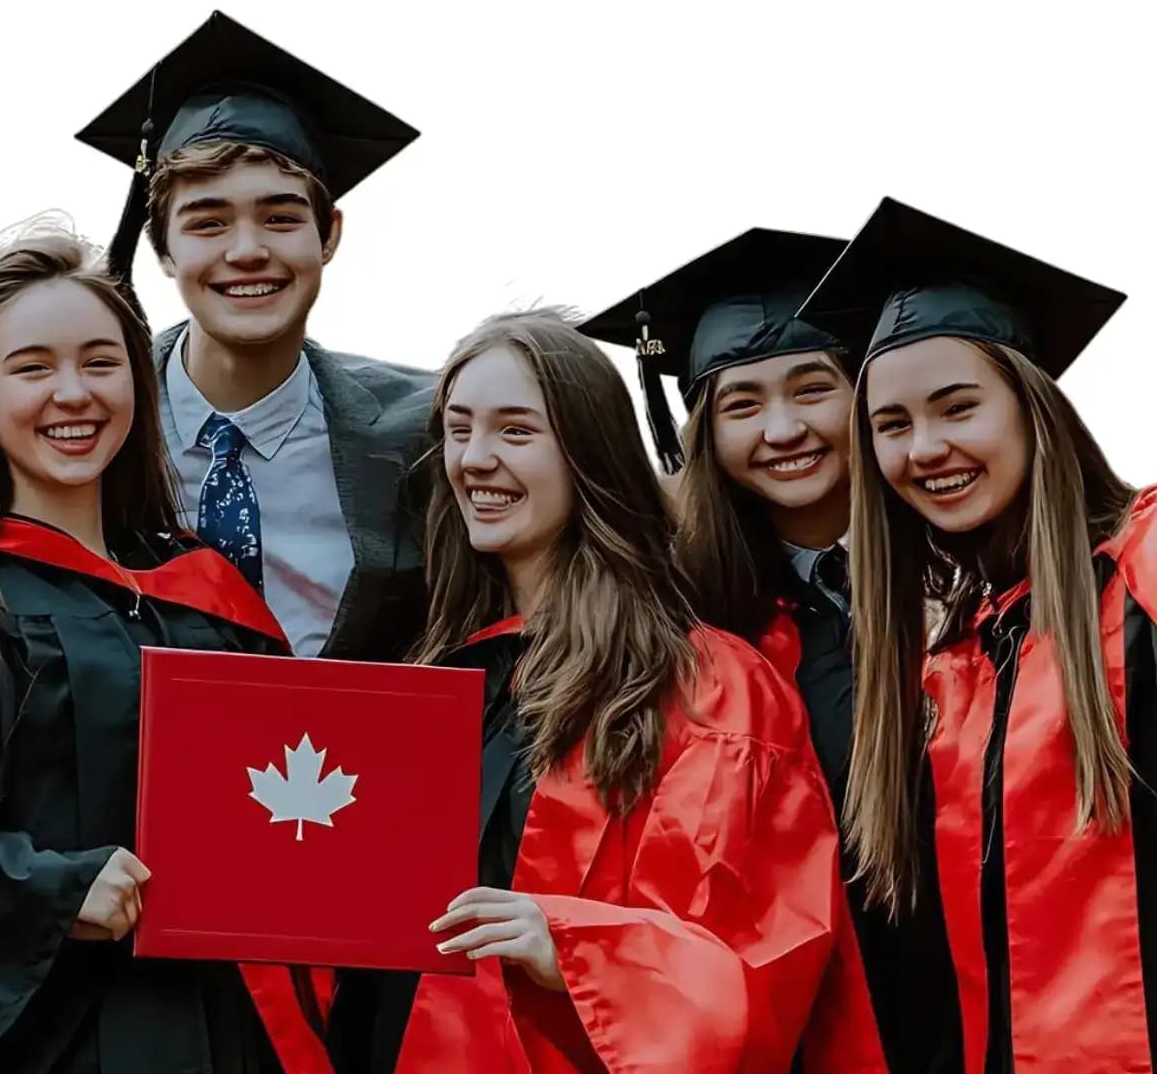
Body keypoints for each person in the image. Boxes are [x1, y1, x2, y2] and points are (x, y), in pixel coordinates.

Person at [804, 197, 1157, 1074]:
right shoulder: (942, 677)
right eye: (892, 425)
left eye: (958, 407)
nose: (924, 448)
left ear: (1033, 407)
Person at [0, 220, 325, 1074]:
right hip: (40, 1037)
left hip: (226, 1026)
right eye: (32, 367)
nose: (72, 393)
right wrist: (47, 887)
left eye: (101, 363)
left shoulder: (212, 594)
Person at [325, 312, 855, 1074]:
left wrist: (570, 945)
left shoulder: (706, 687)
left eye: (516, 432)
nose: (474, 459)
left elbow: (759, 958)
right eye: (459, 429)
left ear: (589, 455)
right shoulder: (434, 678)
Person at [582, 229, 961, 1074]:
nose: (783, 428)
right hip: (799, 1021)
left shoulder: (970, 585)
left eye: (812, 389)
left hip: (980, 993)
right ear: (703, 431)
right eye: (742, 404)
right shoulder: (688, 628)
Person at [77, 12, 437, 659]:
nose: (247, 251)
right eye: (208, 224)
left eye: (279, 217)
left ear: (329, 235)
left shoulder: (422, 436)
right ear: (162, 249)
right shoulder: (90, 420)